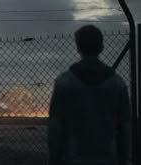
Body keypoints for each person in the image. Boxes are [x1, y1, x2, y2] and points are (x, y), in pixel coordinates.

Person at [48, 25, 131, 165]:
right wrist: (123, 159)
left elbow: (55, 128)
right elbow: (124, 128)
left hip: (72, 159)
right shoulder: (117, 84)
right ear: (101, 47)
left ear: (78, 47)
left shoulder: (64, 83)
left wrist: (54, 160)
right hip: (108, 159)